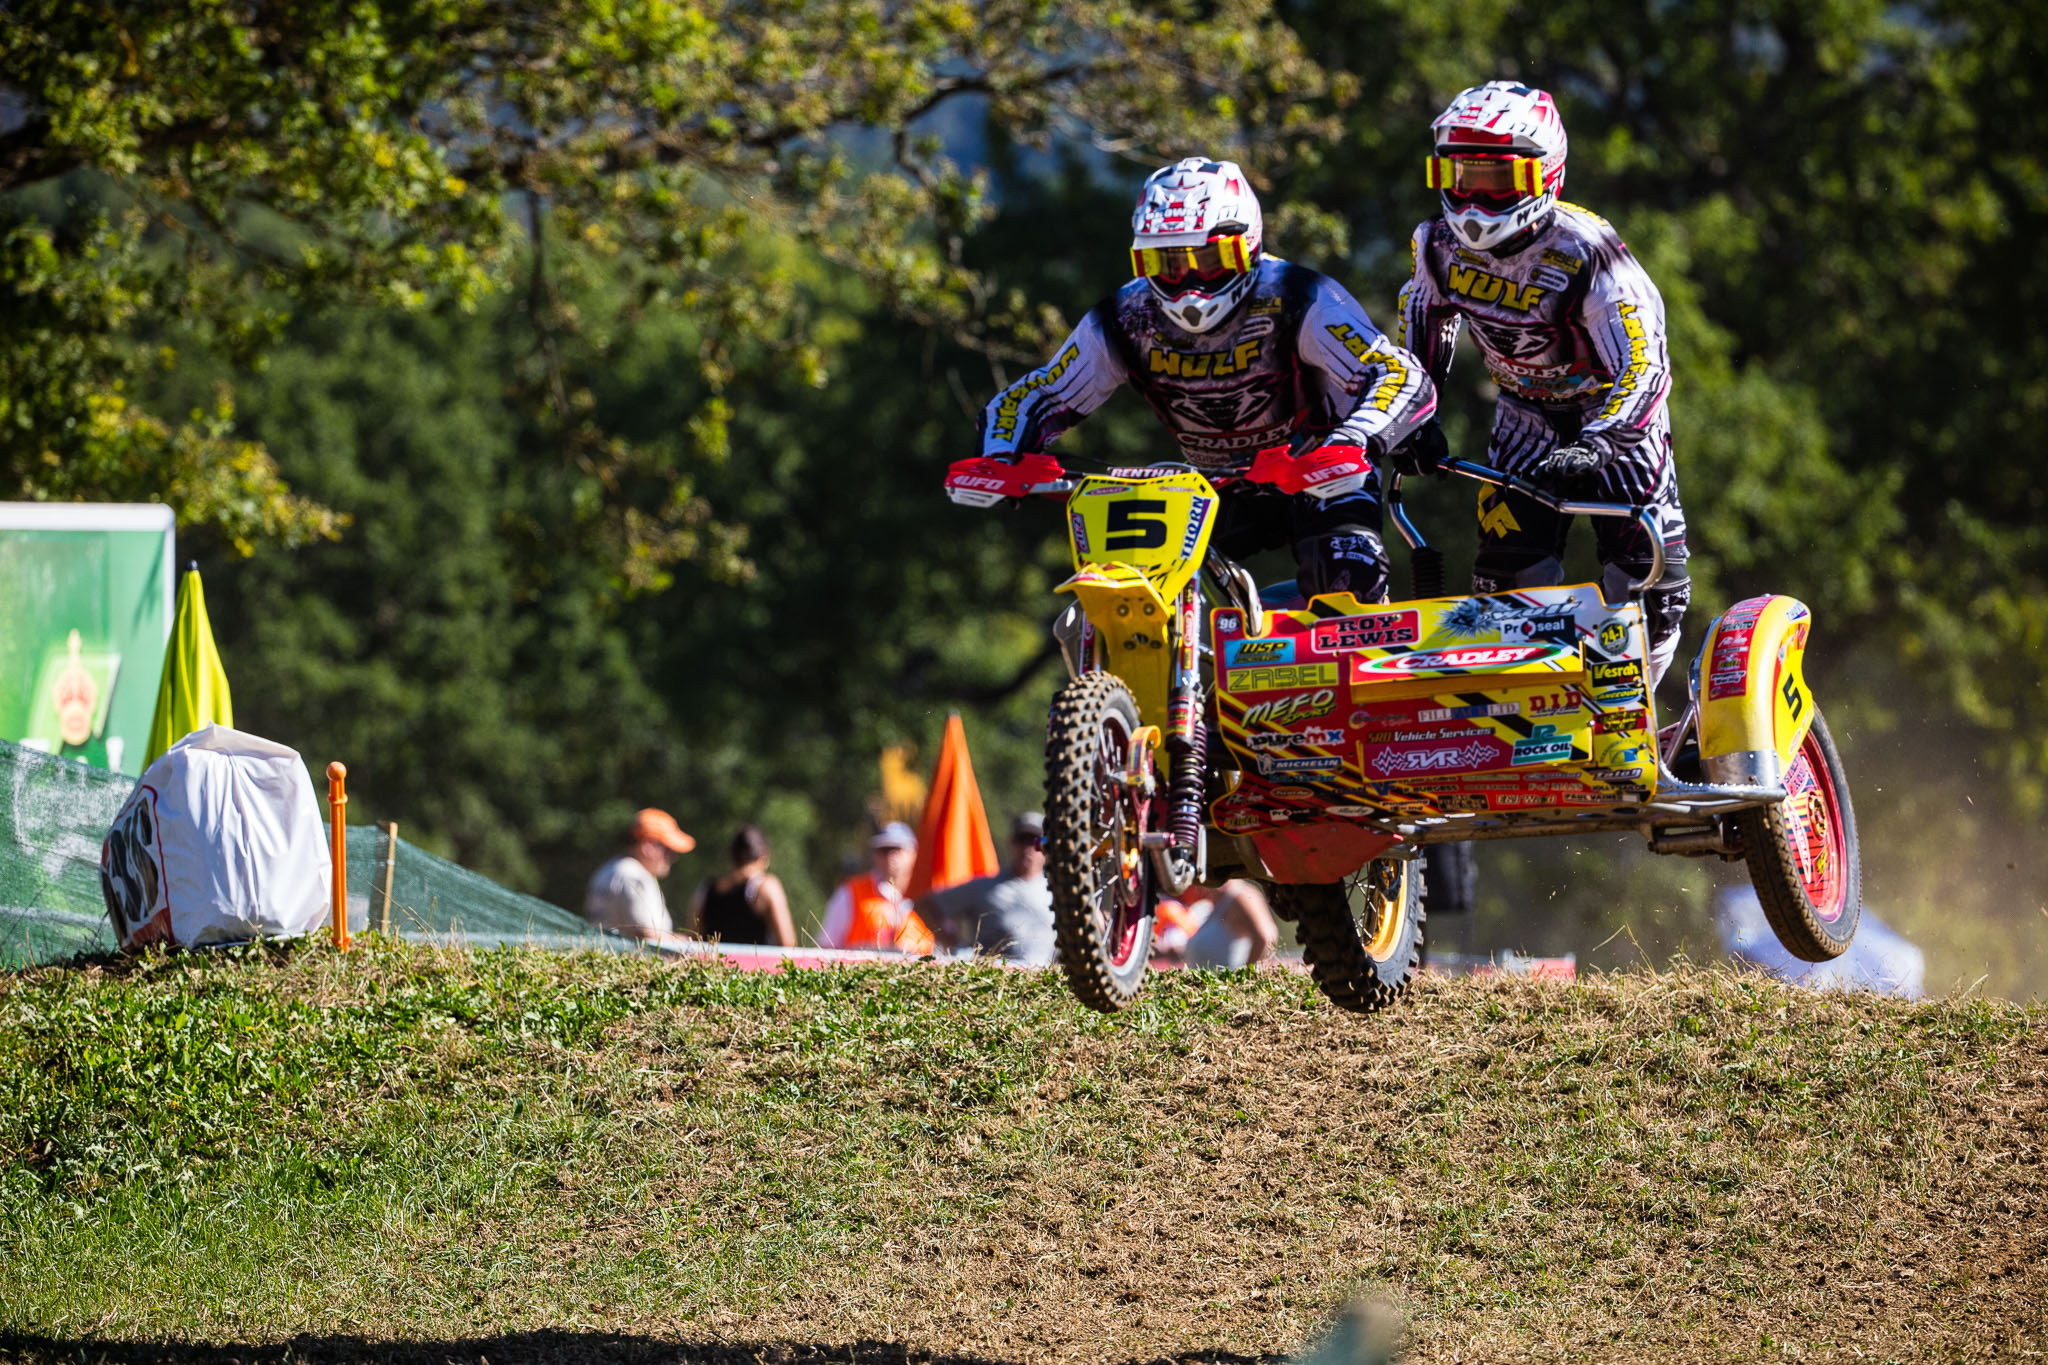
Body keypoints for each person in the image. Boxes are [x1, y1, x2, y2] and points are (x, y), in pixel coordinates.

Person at [977, 156, 1438, 604]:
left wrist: (1353, 439)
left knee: (1347, 578)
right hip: (1213, 486)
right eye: (1168, 265)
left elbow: (1399, 373)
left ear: (1248, 245)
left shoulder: (1299, 297)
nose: (1189, 286)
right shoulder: (1125, 317)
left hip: (1321, 470)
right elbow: (1041, 392)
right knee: (1126, 588)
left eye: (1209, 260)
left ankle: (1350, 635)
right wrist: (1000, 454)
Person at [1395, 80, 1693, 686]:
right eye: (1462, 176)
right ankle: (1522, 712)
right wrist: (1414, 419)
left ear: (1544, 174)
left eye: (1496, 180)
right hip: (1524, 418)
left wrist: (1601, 441)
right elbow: (1425, 320)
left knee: (1651, 586)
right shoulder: (1436, 245)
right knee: (1504, 586)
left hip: (1616, 424)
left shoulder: (1590, 252)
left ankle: (1636, 711)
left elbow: (1645, 366)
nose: (1475, 201)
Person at [915, 811, 1056, 966]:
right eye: (1022, 840)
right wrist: (955, 945)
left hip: (1042, 976)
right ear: (1011, 843)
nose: (1028, 849)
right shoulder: (986, 887)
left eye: (1036, 842)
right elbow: (925, 905)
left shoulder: (1058, 891)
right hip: (995, 976)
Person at [584, 807, 695, 946]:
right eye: (668, 850)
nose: (673, 858)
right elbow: (647, 935)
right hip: (627, 956)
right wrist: (691, 945)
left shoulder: (609, 869)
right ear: (649, 845)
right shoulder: (634, 875)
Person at [818, 821, 935, 953]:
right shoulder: (850, 892)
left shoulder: (930, 895)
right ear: (875, 855)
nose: (890, 856)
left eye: (896, 849)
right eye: (884, 850)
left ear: (914, 852)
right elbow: (826, 947)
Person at [690, 823, 796, 948]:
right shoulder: (766, 886)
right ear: (764, 856)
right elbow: (787, 943)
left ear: (732, 856)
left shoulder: (708, 888)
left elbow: (694, 938)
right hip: (752, 961)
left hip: (713, 960)